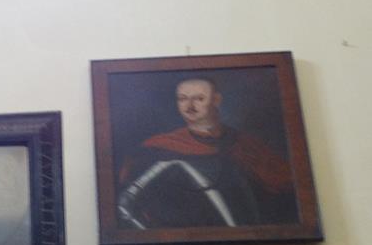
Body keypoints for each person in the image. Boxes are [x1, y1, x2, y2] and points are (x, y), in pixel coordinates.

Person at [117, 78, 295, 229]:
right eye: (183, 99)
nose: (190, 106)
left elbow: (282, 185)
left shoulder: (244, 144)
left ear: (216, 100)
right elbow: (129, 203)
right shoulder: (158, 147)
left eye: (199, 99)